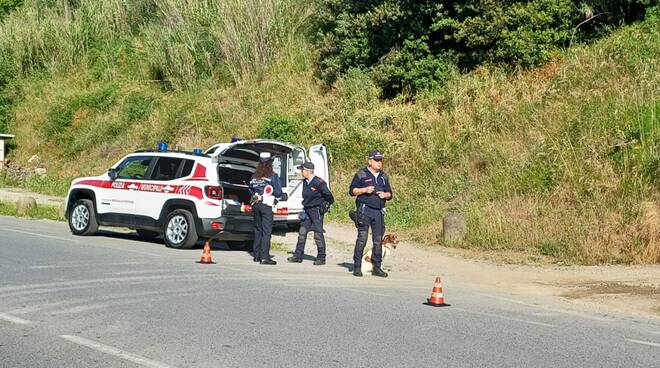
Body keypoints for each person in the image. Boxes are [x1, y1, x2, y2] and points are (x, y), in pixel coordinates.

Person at [349, 150, 393, 277]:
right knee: (362, 239)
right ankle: (357, 266)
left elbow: (390, 193)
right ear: (370, 161)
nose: (379, 163)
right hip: (365, 210)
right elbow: (352, 191)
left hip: (378, 212)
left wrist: (386, 195)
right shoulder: (361, 174)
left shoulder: (384, 176)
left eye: (381, 160)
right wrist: (365, 190)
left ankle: (377, 267)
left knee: (378, 241)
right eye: (377, 160)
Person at [287, 162, 334, 265]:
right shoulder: (305, 182)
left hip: (316, 210)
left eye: (302, 170)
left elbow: (329, 196)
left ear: (308, 171)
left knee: (318, 234)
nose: (301, 172)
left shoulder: (319, 182)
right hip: (307, 210)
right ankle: (298, 256)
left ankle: (321, 257)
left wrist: (326, 203)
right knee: (302, 233)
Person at [249, 152, 284, 265]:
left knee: (258, 230)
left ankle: (256, 255)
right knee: (266, 231)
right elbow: (278, 192)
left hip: (255, 205)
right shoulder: (272, 176)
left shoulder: (254, 176)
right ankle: (265, 257)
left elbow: (250, 190)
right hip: (266, 205)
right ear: (270, 163)